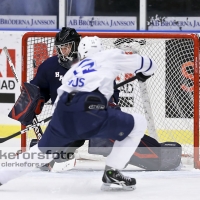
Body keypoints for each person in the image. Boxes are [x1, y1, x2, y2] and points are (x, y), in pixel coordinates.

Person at [0, 36, 157, 190]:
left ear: (81, 54)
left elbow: (59, 103)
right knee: (138, 124)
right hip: (90, 110)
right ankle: (112, 171)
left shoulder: (73, 70)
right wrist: (145, 74)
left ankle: (1, 176)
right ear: (100, 49)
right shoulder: (110, 56)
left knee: (40, 153)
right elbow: (149, 64)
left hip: (62, 113)